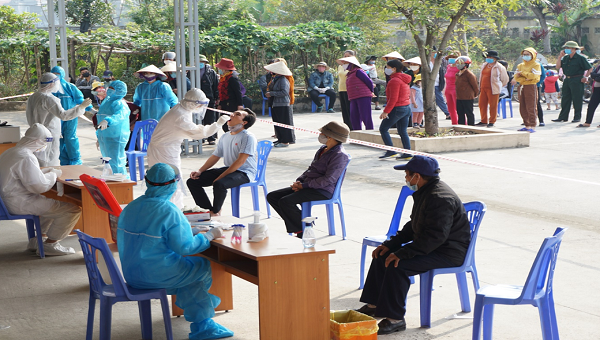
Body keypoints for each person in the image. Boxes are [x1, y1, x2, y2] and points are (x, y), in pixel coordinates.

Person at [355, 155, 471, 335]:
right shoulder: (425, 192)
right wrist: (391, 244)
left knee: (397, 264)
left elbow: (435, 237)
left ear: (417, 176)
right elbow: (413, 225)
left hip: (448, 252)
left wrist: (403, 253)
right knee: (382, 255)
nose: (406, 178)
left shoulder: (440, 198)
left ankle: (395, 319)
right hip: (433, 246)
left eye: (407, 174)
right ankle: (374, 304)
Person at [117, 163, 233, 340]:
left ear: (147, 182)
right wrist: (209, 236)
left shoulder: (132, 206)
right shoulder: (168, 210)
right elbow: (185, 247)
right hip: (157, 275)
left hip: (132, 274)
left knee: (188, 271)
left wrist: (190, 231)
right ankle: (203, 325)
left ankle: (196, 314)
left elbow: (154, 235)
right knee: (201, 267)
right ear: (174, 184)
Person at [0, 124, 82, 256]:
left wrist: (46, 172)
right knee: (71, 210)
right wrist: (53, 174)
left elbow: (27, 177)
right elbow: (39, 186)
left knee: (50, 203)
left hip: (6, 201)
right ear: (37, 140)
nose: (44, 146)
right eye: (45, 142)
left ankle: (38, 240)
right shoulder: (26, 157)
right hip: (18, 202)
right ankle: (51, 244)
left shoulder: (11, 151)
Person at [148, 89, 230, 209]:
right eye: (200, 105)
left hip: (165, 148)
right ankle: (171, 209)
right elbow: (199, 133)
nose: (201, 108)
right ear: (192, 103)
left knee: (167, 178)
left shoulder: (182, 109)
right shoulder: (180, 115)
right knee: (170, 179)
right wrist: (218, 124)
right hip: (164, 150)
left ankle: (169, 207)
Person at [267, 121, 350, 238]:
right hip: (309, 185)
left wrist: (304, 186)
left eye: (322, 133)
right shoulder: (323, 149)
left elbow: (328, 179)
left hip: (323, 191)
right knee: (272, 196)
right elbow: (311, 169)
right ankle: (304, 223)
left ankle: (302, 231)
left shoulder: (340, 155)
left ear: (330, 137)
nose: (320, 135)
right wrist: (300, 181)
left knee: (285, 201)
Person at [186, 109, 257, 216]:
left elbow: (240, 161)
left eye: (237, 114)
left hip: (244, 172)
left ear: (244, 122)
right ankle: (207, 211)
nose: (231, 114)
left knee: (219, 184)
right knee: (192, 181)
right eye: (233, 112)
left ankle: (215, 212)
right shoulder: (225, 136)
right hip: (229, 169)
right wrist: (200, 171)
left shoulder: (248, 137)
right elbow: (215, 156)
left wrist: (221, 177)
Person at [26, 72, 92, 166]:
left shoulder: (33, 96)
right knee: (50, 161)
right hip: (48, 135)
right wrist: (80, 107)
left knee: (38, 160)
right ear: (52, 84)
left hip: (35, 133)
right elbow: (63, 115)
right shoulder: (49, 99)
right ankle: (50, 180)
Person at [50, 65, 94, 165]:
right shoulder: (50, 88)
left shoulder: (70, 87)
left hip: (71, 117)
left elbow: (80, 100)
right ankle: (63, 161)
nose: (56, 76)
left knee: (70, 138)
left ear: (63, 75)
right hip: (55, 118)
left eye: (58, 74)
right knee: (58, 139)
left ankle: (75, 160)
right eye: (54, 74)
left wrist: (91, 110)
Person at [378, 59, 412, 160]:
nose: (386, 69)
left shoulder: (394, 81)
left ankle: (390, 151)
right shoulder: (403, 78)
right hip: (406, 107)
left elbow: (393, 99)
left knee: (383, 129)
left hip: (397, 108)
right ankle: (407, 153)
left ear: (394, 68)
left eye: (387, 67)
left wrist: (386, 112)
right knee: (402, 131)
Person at [552, 41, 593, 123]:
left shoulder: (581, 58)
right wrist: (559, 57)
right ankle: (563, 117)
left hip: (577, 79)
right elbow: (558, 66)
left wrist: (586, 77)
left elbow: (590, 68)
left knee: (577, 99)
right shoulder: (566, 58)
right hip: (567, 79)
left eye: (568, 48)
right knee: (565, 98)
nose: (566, 50)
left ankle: (577, 117)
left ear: (574, 49)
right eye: (565, 48)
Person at [96, 80, 131, 175]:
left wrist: (108, 120)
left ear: (119, 91)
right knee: (109, 162)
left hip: (116, 137)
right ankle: (113, 181)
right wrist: (99, 137)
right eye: (110, 88)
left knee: (116, 162)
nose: (110, 90)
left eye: (113, 88)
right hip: (106, 136)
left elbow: (120, 115)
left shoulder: (120, 103)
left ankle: (121, 183)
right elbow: (100, 119)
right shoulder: (106, 102)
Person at [264, 60, 295, 148]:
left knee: (283, 122)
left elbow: (285, 92)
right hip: (276, 103)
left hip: (282, 104)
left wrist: (272, 93)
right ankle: (280, 139)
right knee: (277, 122)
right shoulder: (275, 78)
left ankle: (285, 141)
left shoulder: (283, 80)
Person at [338, 56, 374, 130]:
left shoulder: (359, 71)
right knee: (354, 117)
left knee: (365, 116)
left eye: (345, 63)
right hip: (353, 97)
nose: (343, 64)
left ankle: (370, 132)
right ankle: (357, 134)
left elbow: (369, 82)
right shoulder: (350, 73)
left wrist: (371, 92)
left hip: (363, 96)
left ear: (351, 64)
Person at [475, 50, 508, 128]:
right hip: (483, 88)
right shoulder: (484, 65)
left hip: (493, 89)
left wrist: (499, 86)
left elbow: (505, 79)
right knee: (482, 104)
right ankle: (483, 120)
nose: (488, 58)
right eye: (487, 57)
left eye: (490, 57)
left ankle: (492, 121)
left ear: (495, 58)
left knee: (493, 105)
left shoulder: (499, 67)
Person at [512, 48, 541, 132]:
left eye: (527, 54)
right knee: (522, 107)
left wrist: (523, 74)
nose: (525, 56)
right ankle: (527, 125)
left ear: (533, 55)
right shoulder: (520, 65)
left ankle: (532, 125)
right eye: (524, 54)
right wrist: (524, 77)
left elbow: (534, 76)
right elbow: (516, 77)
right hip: (521, 86)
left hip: (531, 86)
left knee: (531, 106)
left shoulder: (536, 65)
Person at [215, 58, 244, 132]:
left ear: (225, 69)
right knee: (224, 124)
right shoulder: (223, 78)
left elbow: (238, 92)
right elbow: (221, 93)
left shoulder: (232, 79)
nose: (219, 69)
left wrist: (240, 104)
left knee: (231, 124)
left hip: (232, 104)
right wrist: (220, 104)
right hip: (224, 104)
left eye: (220, 68)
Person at [198, 54, 220, 145]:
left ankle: (211, 137)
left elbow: (216, 85)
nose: (200, 64)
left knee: (210, 118)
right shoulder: (191, 72)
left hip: (209, 98)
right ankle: (200, 137)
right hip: (197, 99)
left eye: (202, 62)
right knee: (198, 119)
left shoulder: (211, 72)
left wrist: (217, 97)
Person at [454, 56, 478, 126]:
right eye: (458, 63)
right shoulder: (458, 74)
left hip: (468, 97)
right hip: (459, 97)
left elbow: (475, 86)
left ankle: (471, 126)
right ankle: (461, 127)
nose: (458, 65)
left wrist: (475, 94)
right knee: (460, 113)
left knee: (469, 113)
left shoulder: (469, 75)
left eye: (461, 63)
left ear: (466, 65)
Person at [429, 48, 450, 120]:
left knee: (440, 99)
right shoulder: (427, 63)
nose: (434, 54)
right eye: (433, 52)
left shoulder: (439, 62)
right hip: (430, 84)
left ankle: (447, 113)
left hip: (437, 84)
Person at [577, 63, 600, 127]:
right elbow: (592, 75)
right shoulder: (599, 67)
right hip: (597, 89)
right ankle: (587, 122)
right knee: (591, 106)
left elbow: (597, 78)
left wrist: (596, 76)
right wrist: (597, 76)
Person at [337, 50, 355, 129]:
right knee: (344, 110)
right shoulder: (341, 66)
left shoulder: (354, 66)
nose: (346, 58)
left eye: (348, 56)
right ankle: (346, 127)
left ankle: (353, 127)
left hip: (350, 90)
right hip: (341, 89)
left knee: (350, 109)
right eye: (345, 56)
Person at [444, 51, 460, 124]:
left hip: (455, 89)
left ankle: (462, 123)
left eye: (453, 57)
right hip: (448, 89)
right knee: (450, 108)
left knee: (458, 108)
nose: (451, 59)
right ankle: (454, 123)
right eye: (450, 57)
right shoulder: (448, 66)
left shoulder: (459, 68)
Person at [535, 61, 547, 127]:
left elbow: (543, 75)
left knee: (537, 103)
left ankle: (541, 120)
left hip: (535, 86)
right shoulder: (522, 64)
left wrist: (538, 83)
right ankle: (527, 120)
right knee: (526, 104)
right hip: (525, 86)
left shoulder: (538, 64)